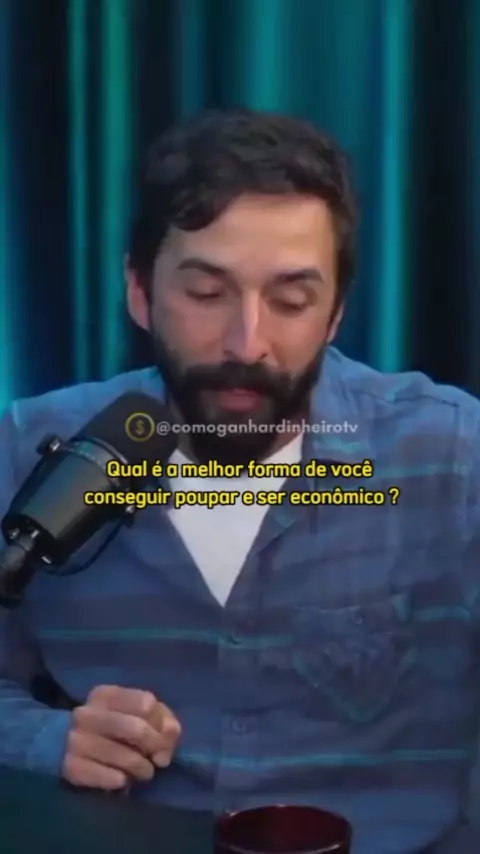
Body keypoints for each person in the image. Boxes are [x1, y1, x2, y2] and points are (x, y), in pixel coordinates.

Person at [0, 107, 478, 854]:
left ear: (335, 314)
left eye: (290, 301)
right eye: (205, 292)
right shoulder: (29, 449)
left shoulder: (452, 456)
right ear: (139, 291)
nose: (246, 343)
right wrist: (45, 738)